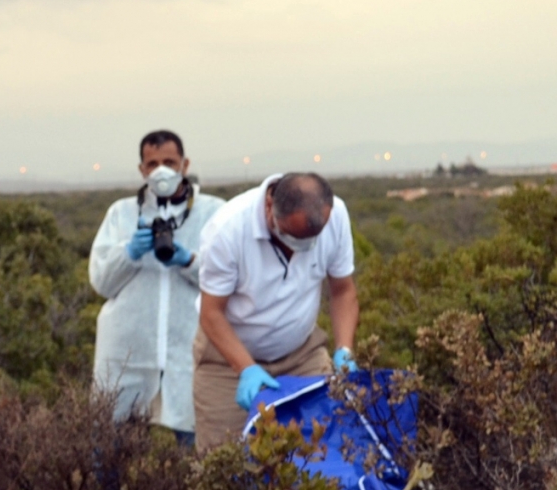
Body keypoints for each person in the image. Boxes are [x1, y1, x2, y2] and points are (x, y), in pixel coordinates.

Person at [194, 171, 359, 452]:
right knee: (223, 460)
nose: (298, 248)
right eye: (289, 236)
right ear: (269, 206)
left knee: (319, 452)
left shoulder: (335, 216)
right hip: (227, 361)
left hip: (302, 355)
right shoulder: (227, 229)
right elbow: (212, 314)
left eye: (309, 240)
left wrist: (345, 349)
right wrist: (246, 368)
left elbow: (342, 290)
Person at [89, 130, 224, 447]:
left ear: (185, 164)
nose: (161, 171)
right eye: (152, 164)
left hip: (189, 346)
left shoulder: (213, 212)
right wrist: (129, 253)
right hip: (127, 350)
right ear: (142, 169)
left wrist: (188, 261)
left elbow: (230, 278)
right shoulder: (121, 214)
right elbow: (101, 282)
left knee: (197, 443)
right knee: (110, 443)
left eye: (169, 162)